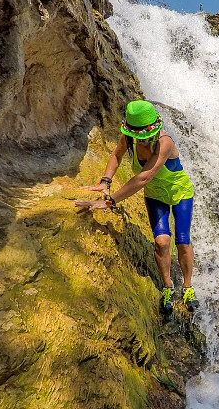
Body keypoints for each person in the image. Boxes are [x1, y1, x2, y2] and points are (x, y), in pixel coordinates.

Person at [74, 100, 199, 314]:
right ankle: (168, 285)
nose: (144, 140)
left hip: (180, 194)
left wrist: (109, 201)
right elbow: (116, 155)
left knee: (182, 241)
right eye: (140, 137)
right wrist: (105, 181)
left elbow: (143, 177)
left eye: (146, 136)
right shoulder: (129, 137)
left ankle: (187, 286)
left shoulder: (164, 142)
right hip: (155, 196)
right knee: (161, 242)